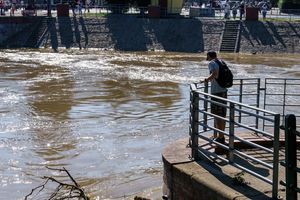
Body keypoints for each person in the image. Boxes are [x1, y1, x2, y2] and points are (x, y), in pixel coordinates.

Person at [203, 51, 228, 145]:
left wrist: (206, 80)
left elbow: (214, 74)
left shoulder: (211, 63)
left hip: (216, 92)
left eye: (207, 56)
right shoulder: (221, 61)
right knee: (222, 114)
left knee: (217, 115)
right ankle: (221, 135)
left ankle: (220, 137)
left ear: (209, 56)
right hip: (224, 90)